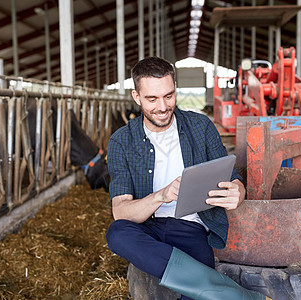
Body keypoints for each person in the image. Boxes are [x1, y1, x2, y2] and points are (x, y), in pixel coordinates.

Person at [106, 57, 269, 300]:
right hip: (146, 227)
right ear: (136, 97)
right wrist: (161, 195)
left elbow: (234, 179)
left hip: (191, 226)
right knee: (117, 233)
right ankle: (239, 296)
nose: (162, 106)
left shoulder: (200, 126)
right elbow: (120, 211)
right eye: (152, 99)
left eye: (169, 96)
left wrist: (238, 191)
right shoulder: (121, 140)